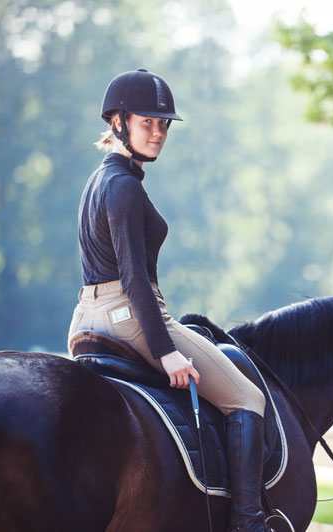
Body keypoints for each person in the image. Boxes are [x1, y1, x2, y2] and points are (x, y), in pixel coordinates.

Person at [68, 68, 270, 532]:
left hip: (87, 318)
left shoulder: (100, 180)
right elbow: (135, 278)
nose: (158, 133)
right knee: (246, 397)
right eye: (147, 122)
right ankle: (248, 522)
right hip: (131, 315)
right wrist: (165, 351)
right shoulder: (123, 187)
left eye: (164, 125)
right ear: (118, 121)